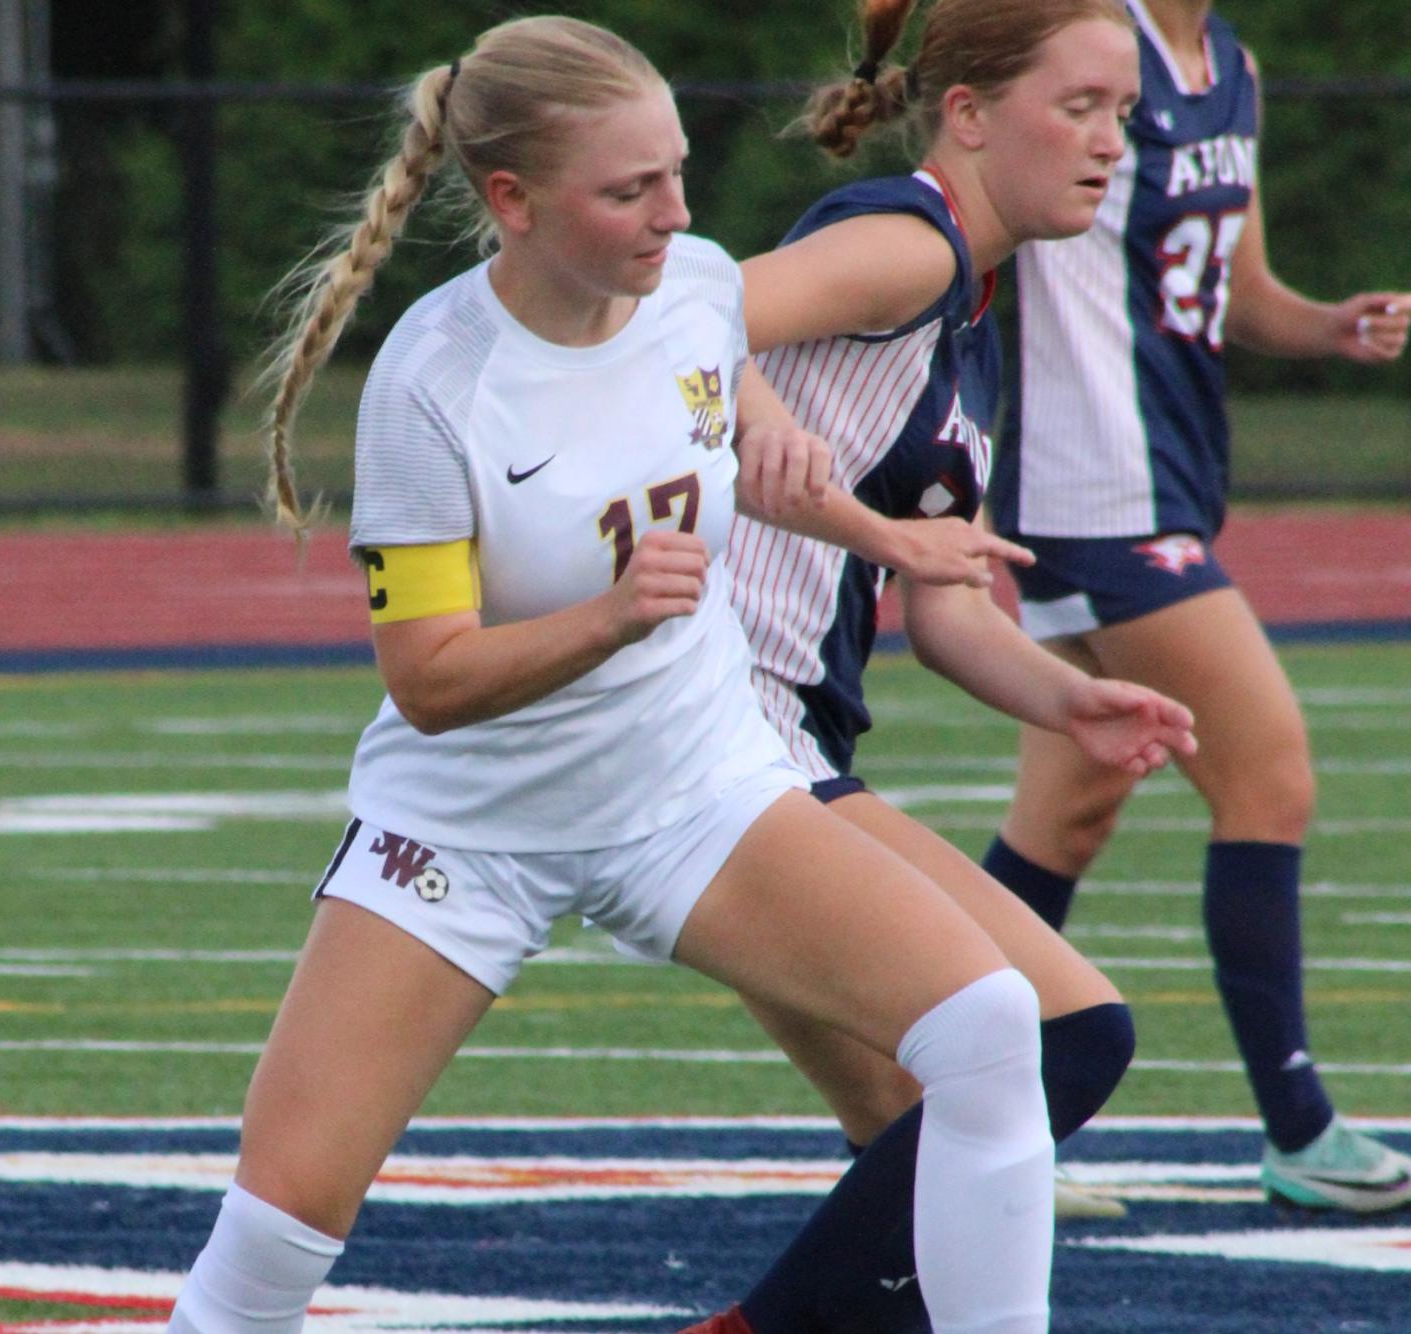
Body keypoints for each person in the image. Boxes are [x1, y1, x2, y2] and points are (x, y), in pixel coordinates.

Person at [168, 17, 1064, 1334]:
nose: (674, 213)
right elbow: (428, 678)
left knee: (987, 1025)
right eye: (629, 189)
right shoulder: (433, 380)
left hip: (693, 786)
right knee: (277, 1227)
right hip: (471, 828)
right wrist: (608, 616)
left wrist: (876, 531)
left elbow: (743, 437)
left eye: (677, 172)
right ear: (512, 202)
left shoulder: (695, 289)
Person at [663, 5, 1194, 1328]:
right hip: (725, 733)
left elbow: (942, 601)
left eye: (1121, 116)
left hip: (774, 740)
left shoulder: (969, 310)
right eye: (1076, 107)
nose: (1106, 144)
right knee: (1068, 1036)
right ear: (966, 115)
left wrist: (1067, 696)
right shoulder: (907, 247)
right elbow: (679, 301)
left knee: (919, 1157)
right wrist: (763, 407)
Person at [978, 0, 1411, 1214]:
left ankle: (940, 1118)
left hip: (1165, 477)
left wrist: (1327, 327)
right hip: (1094, 488)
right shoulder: (1084, 43)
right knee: (1267, 772)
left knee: (1066, 816)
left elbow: (1238, 288)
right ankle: (1301, 1125)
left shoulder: (1236, 68)